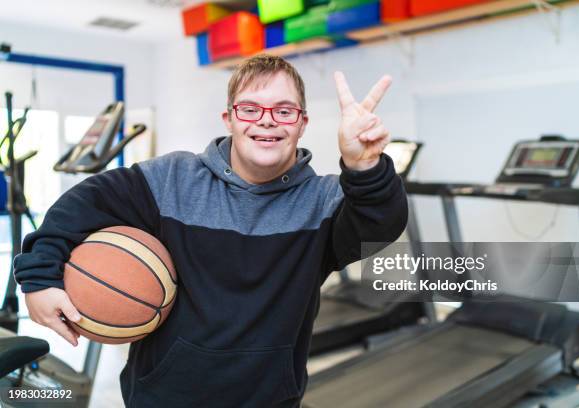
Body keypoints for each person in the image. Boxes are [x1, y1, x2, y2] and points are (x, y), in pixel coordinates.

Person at [13, 54, 407, 407]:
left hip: (271, 399)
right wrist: (38, 278)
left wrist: (364, 166)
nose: (267, 119)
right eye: (250, 109)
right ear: (230, 119)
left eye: (285, 111)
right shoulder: (171, 179)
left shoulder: (323, 202)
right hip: (161, 397)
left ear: (302, 124)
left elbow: (381, 222)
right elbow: (84, 203)